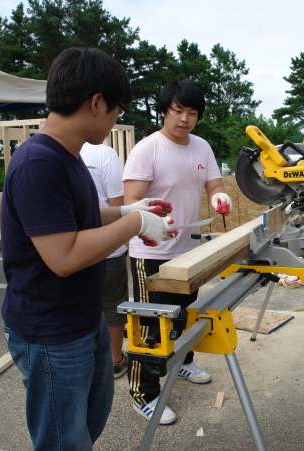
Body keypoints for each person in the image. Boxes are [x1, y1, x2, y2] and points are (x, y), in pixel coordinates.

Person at [0, 47, 175, 451]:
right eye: (116, 109)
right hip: (51, 333)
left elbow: (71, 217)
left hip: (83, 319)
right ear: (96, 103)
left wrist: (126, 211)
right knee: (63, 444)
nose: (115, 119)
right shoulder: (38, 162)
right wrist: (135, 224)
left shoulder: (69, 157)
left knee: (84, 430)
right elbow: (64, 257)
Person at [123, 79, 232, 426]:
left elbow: (214, 183)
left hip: (188, 250)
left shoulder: (202, 147)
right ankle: (144, 394)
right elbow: (130, 202)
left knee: (185, 317)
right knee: (151, 327)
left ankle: (183, 362)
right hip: (152, 252)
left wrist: (219, 196)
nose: (185, 119)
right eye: (178, 110)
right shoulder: (147, 149)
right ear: (163, 111)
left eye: (192, 113)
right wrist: (152, 223)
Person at [79, 142, 130, 379]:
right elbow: (118, 208)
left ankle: (84, 360)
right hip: (107, 249)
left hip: (74, 248)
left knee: (79, 305)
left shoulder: (55, 151)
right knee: (113, 306)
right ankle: (115, 360)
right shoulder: (104, 154)